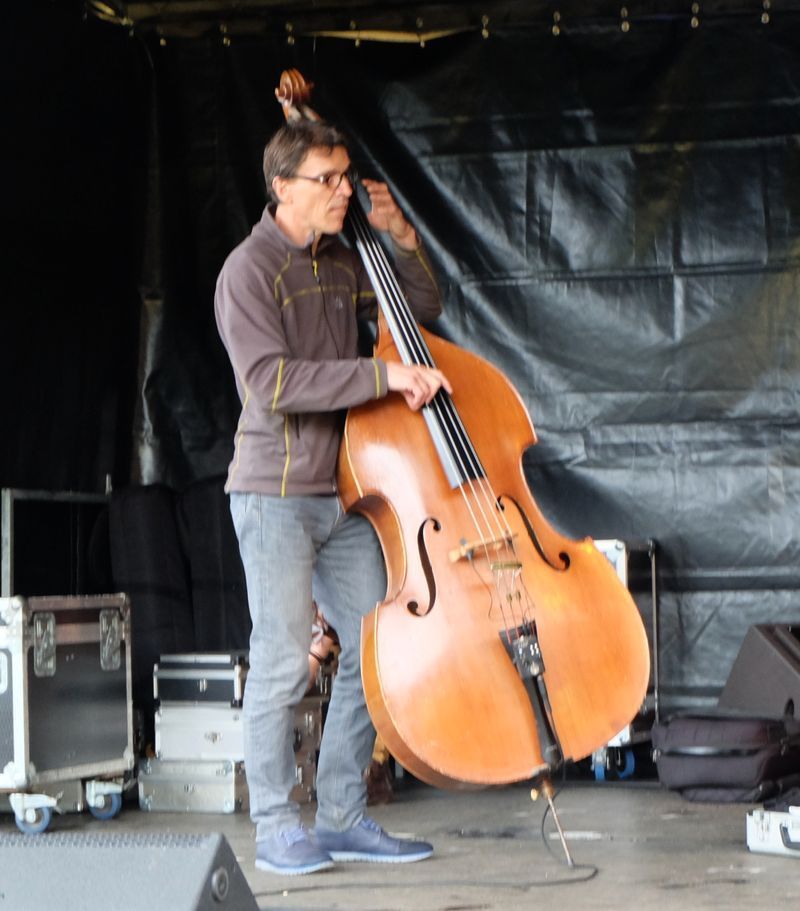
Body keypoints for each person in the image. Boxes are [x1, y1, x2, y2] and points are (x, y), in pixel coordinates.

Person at [214, 118, 451, 876]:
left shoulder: (344, 259)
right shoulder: (248, 271)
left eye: (346, 176)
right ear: (282, 187)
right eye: (328, 179)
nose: (344, 189)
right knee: (284, 661)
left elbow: (420, 309)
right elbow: (273, 383)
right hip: (276, 495)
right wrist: (384, 377)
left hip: (344, 495)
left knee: (376, 648)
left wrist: (401, 237)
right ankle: (276, 824)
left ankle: (344, 816)